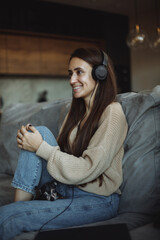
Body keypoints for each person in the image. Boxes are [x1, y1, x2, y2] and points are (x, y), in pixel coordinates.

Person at [0, 48, 128, 239]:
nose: (71, 80)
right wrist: (31, 142)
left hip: (98, 199)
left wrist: (39, 147)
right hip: (67, 186)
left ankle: (18, 212)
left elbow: (87, 168)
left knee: (6, 217)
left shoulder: (112, 112)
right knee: (37, 132)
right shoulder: (76, 112)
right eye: (70, 73)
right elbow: (62, 157)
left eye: (79, 72)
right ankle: (21, 209)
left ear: (99, 74)